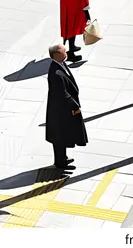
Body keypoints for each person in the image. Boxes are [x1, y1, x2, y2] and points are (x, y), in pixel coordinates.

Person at [45, 44, 88, 172]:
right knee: (59, 136)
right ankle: (60, 163)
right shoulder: (55, 73)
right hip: (60, 111)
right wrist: (75, 105)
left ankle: (62, 158)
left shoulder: (60, 65)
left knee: (62, 135)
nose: (66, 53)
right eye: (64, 52)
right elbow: (62, 93)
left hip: (62, 109)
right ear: (56, 55)